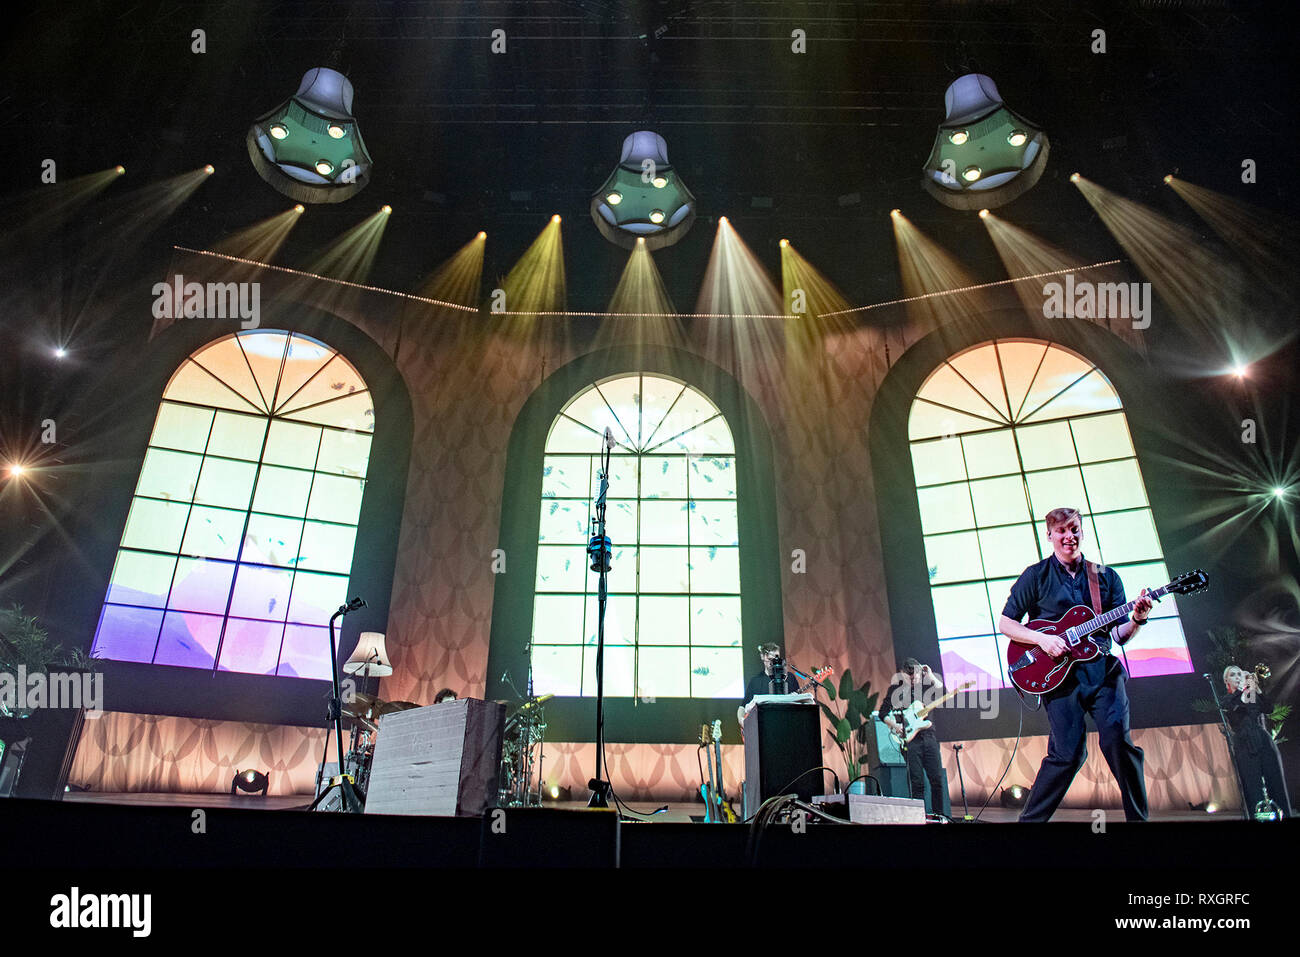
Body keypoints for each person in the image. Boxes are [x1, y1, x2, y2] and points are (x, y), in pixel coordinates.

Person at [999, 506, 1153, 822]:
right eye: (1062, 531)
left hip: (1102, 674)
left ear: (1081, 531)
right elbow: (1006, 623)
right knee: (1067, 755)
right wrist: (1042, 640)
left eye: (1074, 529)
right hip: (1058, 678)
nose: (1069, 536)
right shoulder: (1036, 575)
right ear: (1050, 535)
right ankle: (1028, 825)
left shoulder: (1106, 578)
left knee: (1118, 743)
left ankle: (1139, 821)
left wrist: (1138, 618)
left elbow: (1120, 635)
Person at [879, 658, 947, 816]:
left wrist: (930, 675)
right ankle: (919, 817)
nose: (913, 679)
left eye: (915, 676)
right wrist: (896, 726)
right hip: (911, 741)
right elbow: (883, 712)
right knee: (917, 782)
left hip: (929, 737)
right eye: (910, 677)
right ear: (902, 674)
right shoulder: (895, 690)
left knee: (936, 779)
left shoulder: (927, 686)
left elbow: (943, 692)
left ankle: (940, 816)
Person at [1223, 665, 1291, 818]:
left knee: (1275, 780)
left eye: (1240, 674)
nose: (1238, 677)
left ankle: (1284, 814)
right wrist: (1242, 689)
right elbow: (1237, 708)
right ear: (1227, 680)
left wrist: (1256, 688)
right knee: (1253, 786)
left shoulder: (1250, 695)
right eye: (1233, 675)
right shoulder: (1227, 699)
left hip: (1262, 739)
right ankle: (1258, 817)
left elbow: (1269, 708)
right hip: (1244, 742)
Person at [736, 642, 802, 726]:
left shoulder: (789, 678)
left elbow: (800, 704)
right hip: (763, 726)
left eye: (776, 658)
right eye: (770, 659)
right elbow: (742, 707)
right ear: (762, 657)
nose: (773, 662)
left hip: (786, 724)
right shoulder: (755, 681)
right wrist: (742, 721)